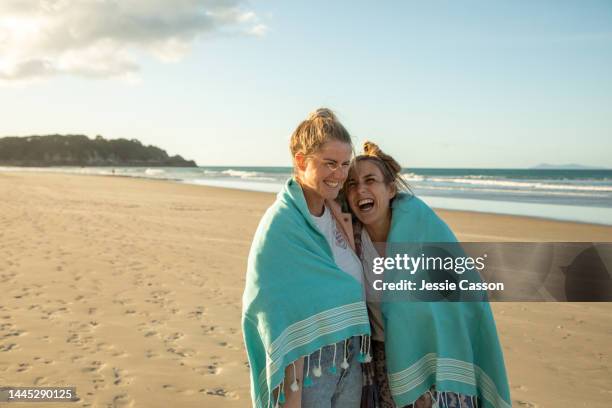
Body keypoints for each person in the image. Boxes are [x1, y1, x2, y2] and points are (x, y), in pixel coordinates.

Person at [344, 141, 512, 408]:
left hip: (434, 353)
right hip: (378, 359)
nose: (360, 189)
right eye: (351, 183)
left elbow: (467, 286)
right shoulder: (349, 238)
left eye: (370, 180)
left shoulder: (423, 228)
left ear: (390, 189)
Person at [242, 109, 373, 408]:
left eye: (343, 165)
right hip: (306, 366)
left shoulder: (338, 215)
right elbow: (274, 308)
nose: (339, 174)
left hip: (349, 358)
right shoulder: (281, 226)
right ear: (301, 161)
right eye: (329, 164)